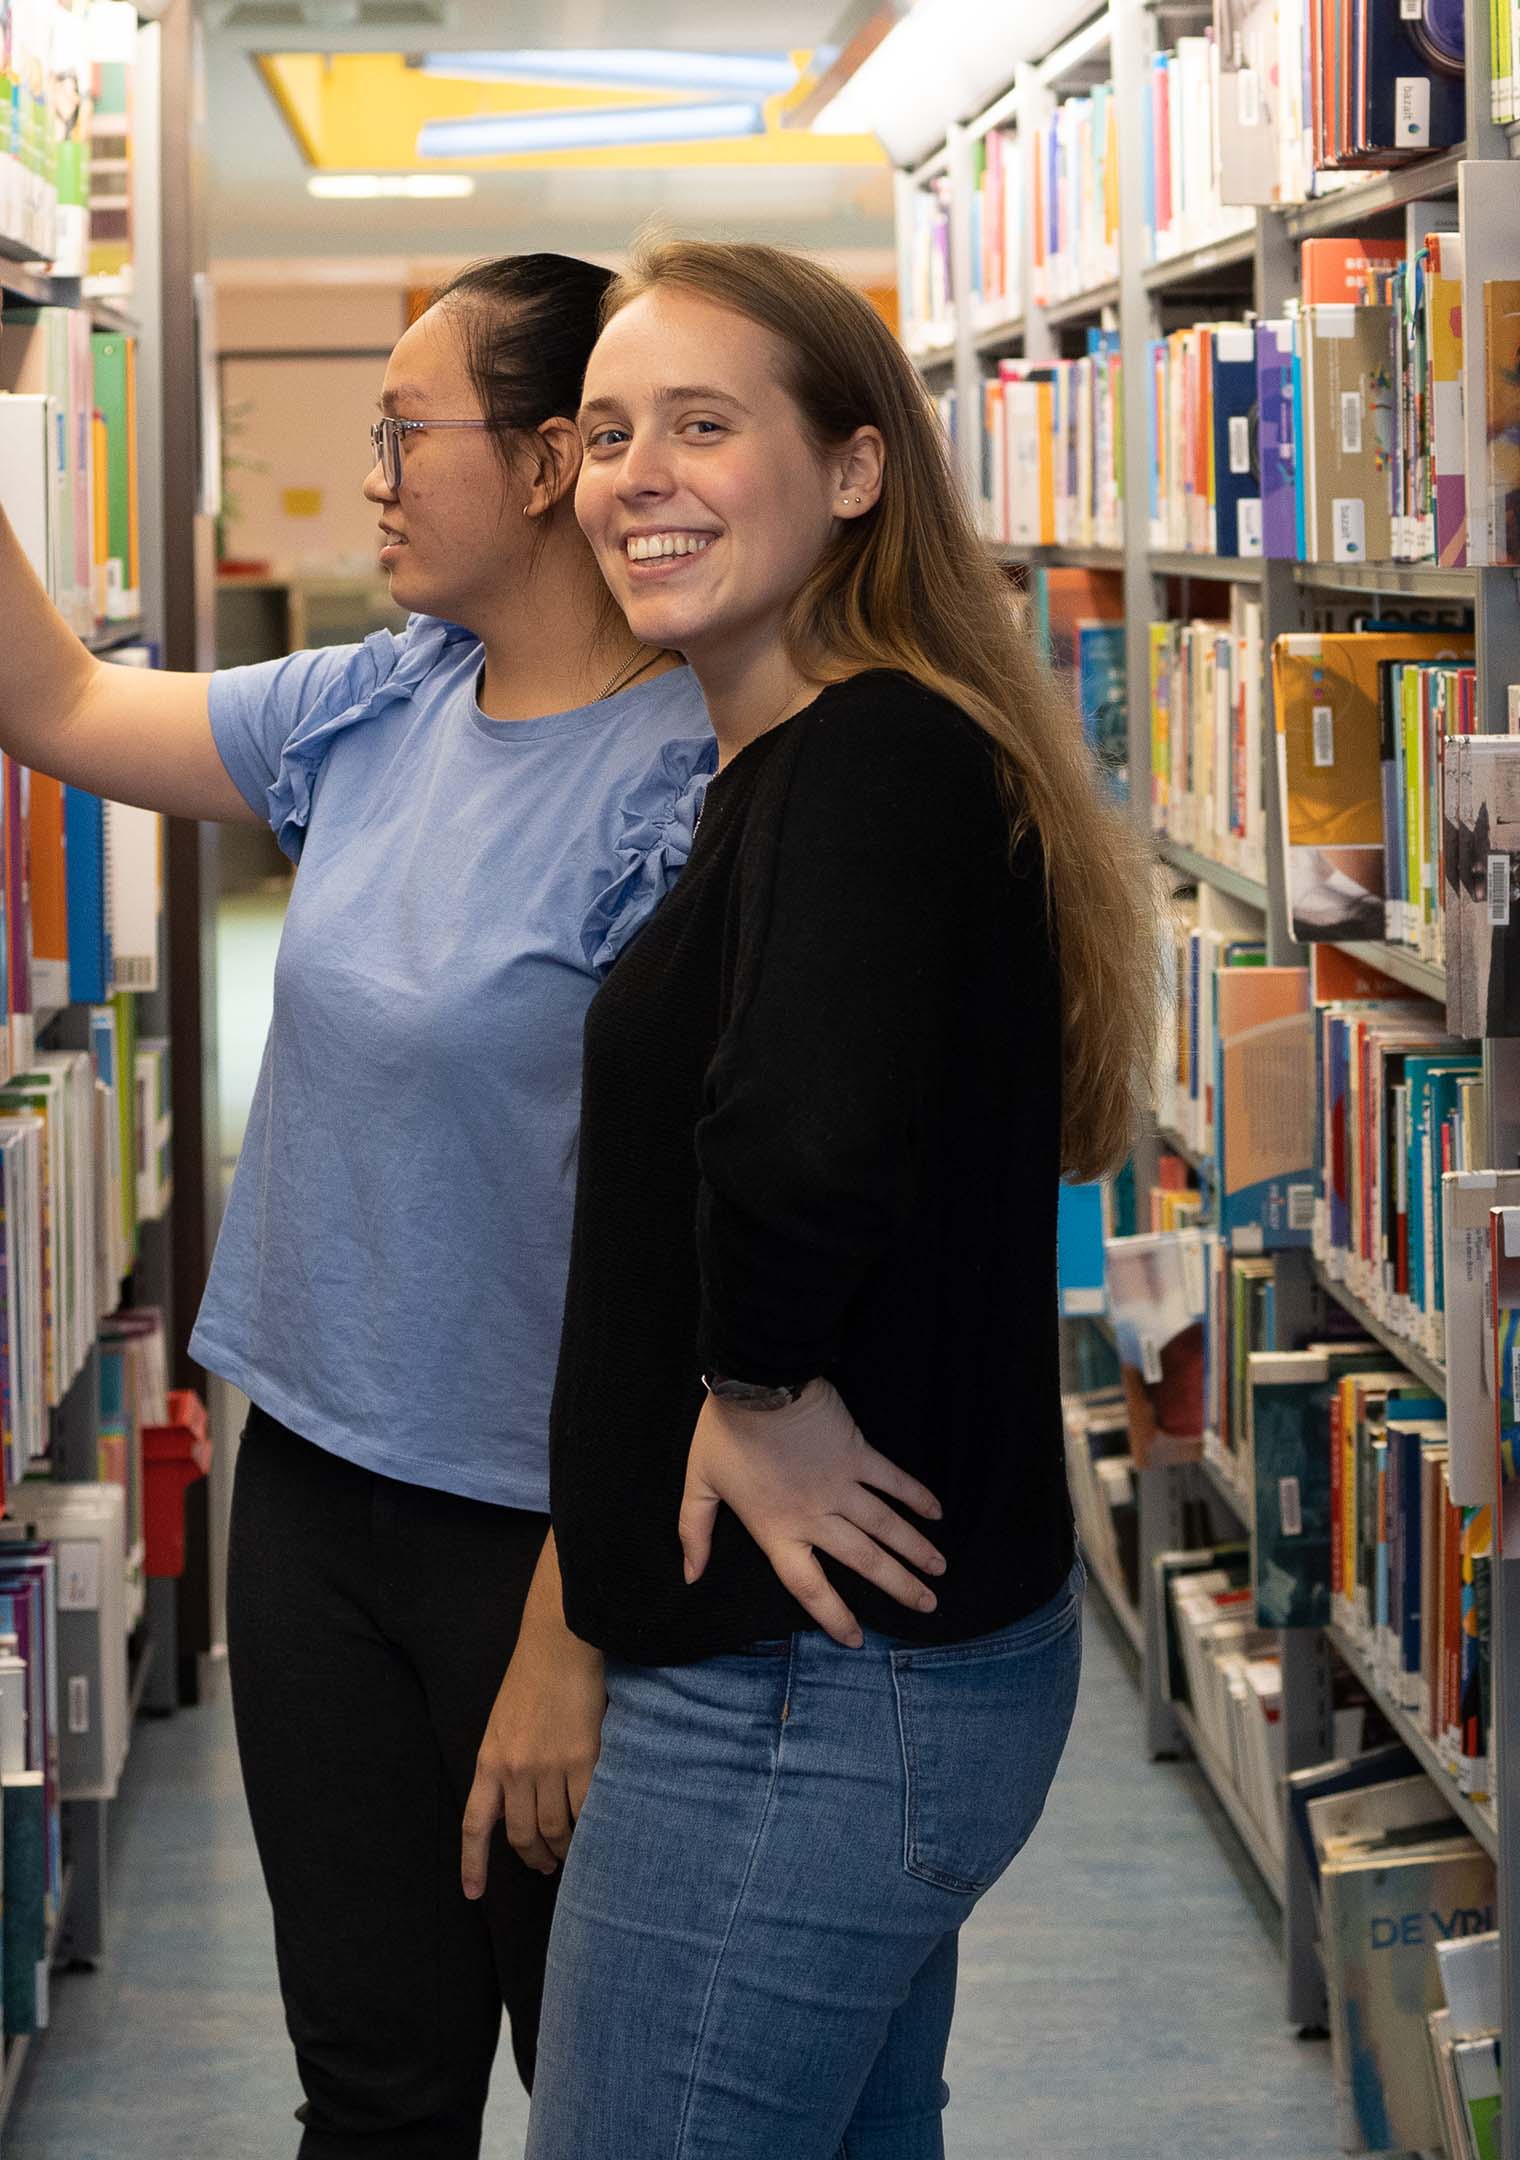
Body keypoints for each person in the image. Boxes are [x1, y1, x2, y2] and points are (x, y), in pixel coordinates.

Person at [0, 247, 715, 2157]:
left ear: (537, 468)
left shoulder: (689, 778)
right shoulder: (382, 700)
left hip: (545, 1538)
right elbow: (58, 705)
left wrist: (569, 1628)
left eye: (400, 432)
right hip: (318, 1493)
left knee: (602, 2096)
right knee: (369, 2084)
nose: (371, 477)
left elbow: (693, 1252)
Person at [528, 239, 1159, 2158]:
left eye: (705, 427)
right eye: (610, 431)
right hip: (838, 1677)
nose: (638, 473)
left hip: (807, 1691)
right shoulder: (815, 751)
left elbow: (795, 1144)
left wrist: (761, 1392)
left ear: (859, 469)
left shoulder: (863, 755)